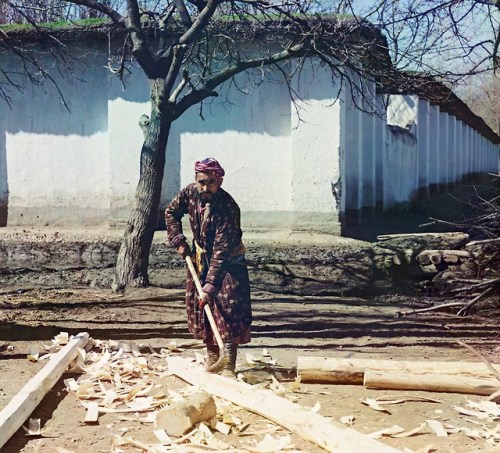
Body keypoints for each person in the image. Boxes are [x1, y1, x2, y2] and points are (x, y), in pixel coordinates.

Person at [165, 157, 252, 377]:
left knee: (228, 310)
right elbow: (171, 212)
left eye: (210, 182)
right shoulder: (190, 194)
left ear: (219, 182)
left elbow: (222, 252)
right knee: (205, 310)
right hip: (201, 259)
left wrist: (211, 285)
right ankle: (213, 361)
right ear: (196, 180)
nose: (205, 187)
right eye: (201, 182)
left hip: (229, 263)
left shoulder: (228, 209)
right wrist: (178, 240)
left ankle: (228, 366)